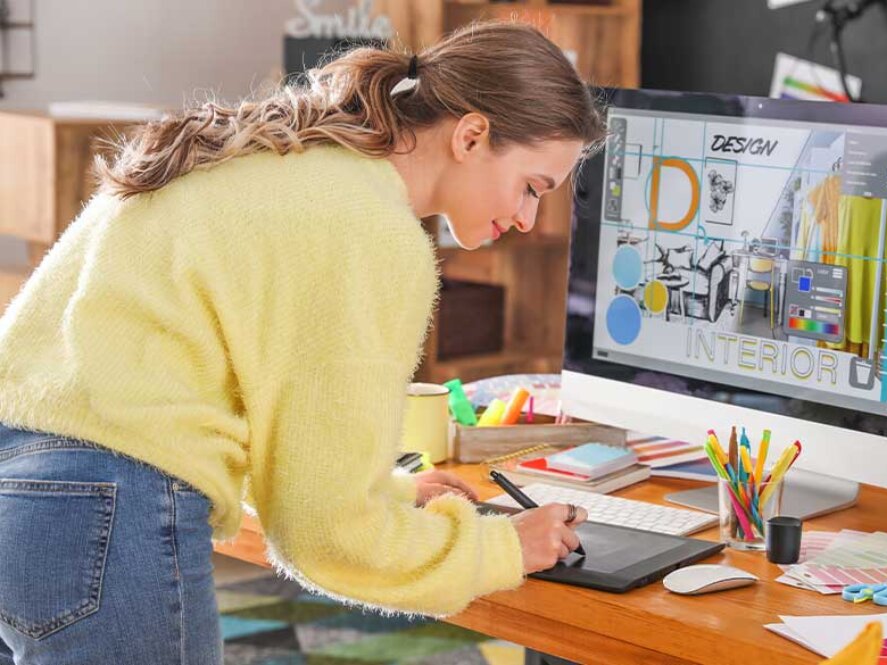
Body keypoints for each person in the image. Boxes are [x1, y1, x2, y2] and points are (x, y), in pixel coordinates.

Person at [0, 21, 605, 664]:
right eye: (533, 187)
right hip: (106, 520)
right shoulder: (367, 230)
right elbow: (326, 538)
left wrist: (391, 493)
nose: (527, 218)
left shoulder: (280, 156)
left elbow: (212, 392)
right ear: (472, 134)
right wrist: (509, 548)